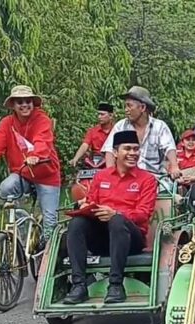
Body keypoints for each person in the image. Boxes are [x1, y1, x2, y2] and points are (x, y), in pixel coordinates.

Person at [63, 131, 158, 304]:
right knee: (77, 223)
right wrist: (86, 208)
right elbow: (92, 202)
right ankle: (79, 285)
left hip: (131, 239)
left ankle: (115, 285)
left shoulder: (147, 180)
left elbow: (143, 214)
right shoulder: (101, 176)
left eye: (136, 149)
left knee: (117, 220)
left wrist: (116, 213)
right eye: (127, 149)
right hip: (102, 239)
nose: (133, 153)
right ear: (115, 152)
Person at [0, 85, 61, 242]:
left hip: (47, 175)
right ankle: (23, 229)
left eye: (28, 101)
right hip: (22, 173)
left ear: (33, 103)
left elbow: (43, 141)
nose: (24, 104)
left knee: (50, 223)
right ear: (13, 105)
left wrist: (35, 156)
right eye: (19, 102)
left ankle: (48, 257)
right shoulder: (7, 123)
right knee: (6, 188)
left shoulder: (42, 120)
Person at [100, 86, 181, 180]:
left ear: (142, 107)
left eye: (129, 106)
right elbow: (110, 150)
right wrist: (111, 174)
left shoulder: (159, 126)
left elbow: (169, 148)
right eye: (125, 106)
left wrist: (174, 166)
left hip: (154, 177)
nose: (126, 110)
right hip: (126, 178)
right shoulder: (121, 126)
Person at [69, 102, 115, 167]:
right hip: (95, 162)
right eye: (98, 114)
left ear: (110, 116)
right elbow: (85, 145)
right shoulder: (92, 131)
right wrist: (76, 158)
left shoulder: (117, 130)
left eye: (102, 114)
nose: (99, 117)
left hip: (112, 161)